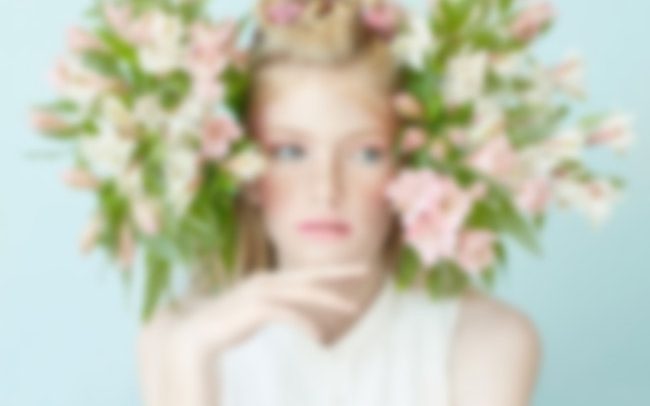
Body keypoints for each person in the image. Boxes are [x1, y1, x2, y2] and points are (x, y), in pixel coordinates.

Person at [136, 1, 542, 405]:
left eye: (366, 154)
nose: (325, 189)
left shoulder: (484, 344)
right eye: (290, 151)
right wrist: (190, 363)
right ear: (247, 174)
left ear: (411, 171)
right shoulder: (180, 338)